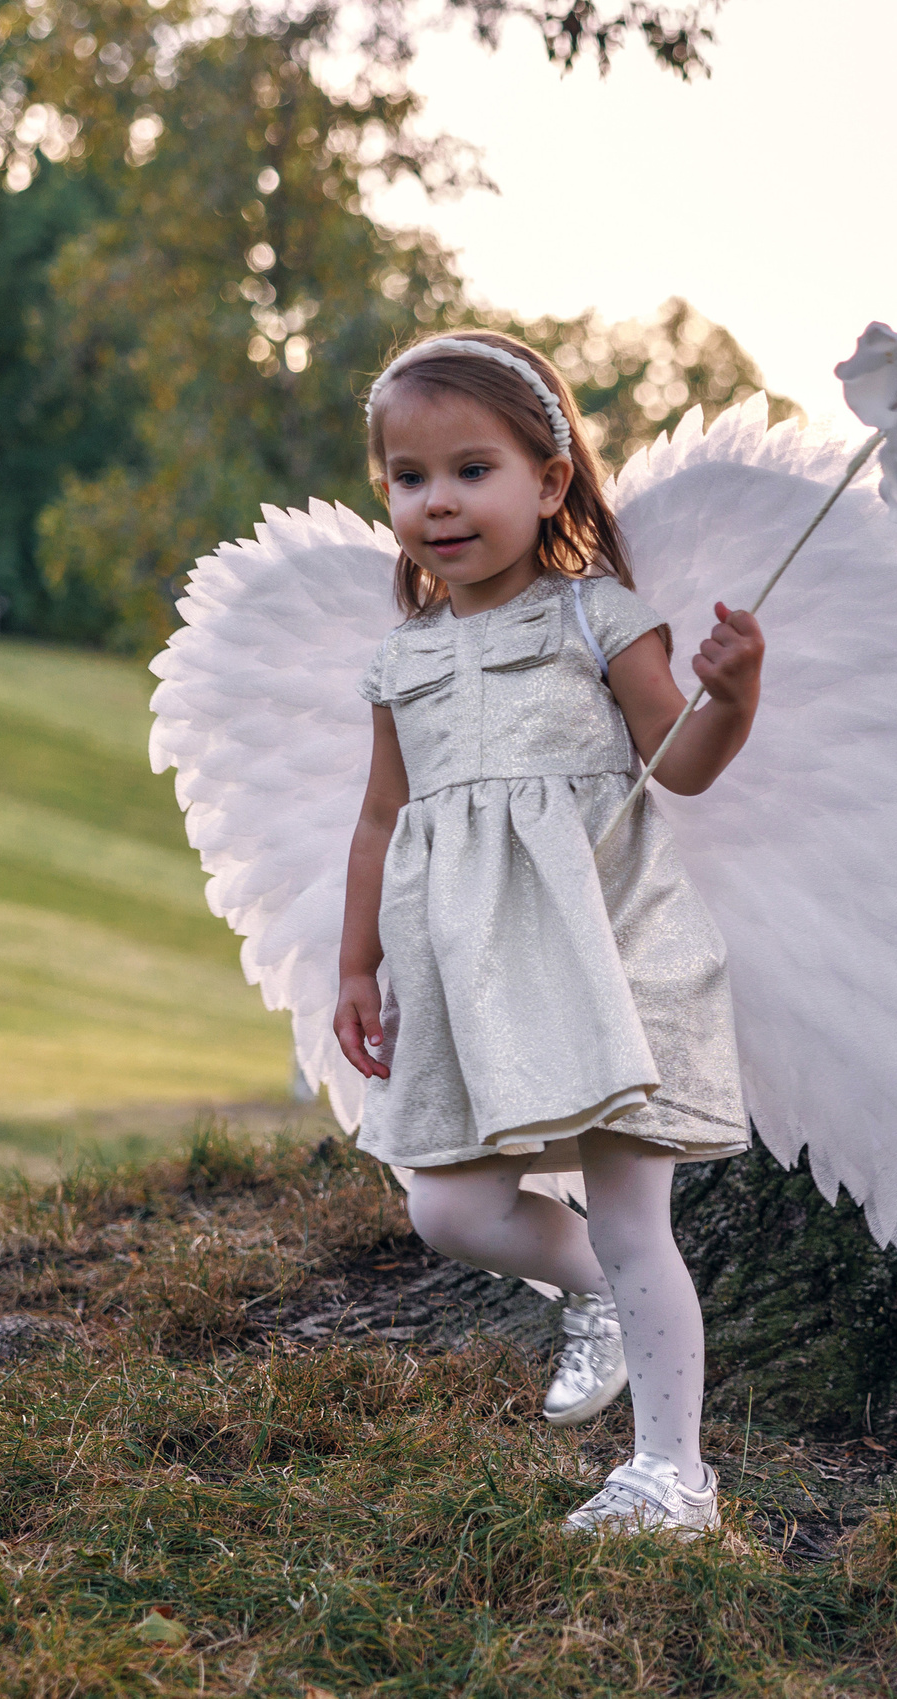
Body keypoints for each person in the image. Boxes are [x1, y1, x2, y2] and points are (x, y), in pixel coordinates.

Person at [330, 329, 759, 1538]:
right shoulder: (399, 659)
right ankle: (597, 1299)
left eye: (473, 470)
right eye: (410, 480)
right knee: (448, 1209)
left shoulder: (595, 620)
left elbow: (682, 765)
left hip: (613, 955)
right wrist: (354, 963)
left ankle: (671, 1475)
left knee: (636, 1223)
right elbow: (379, 818)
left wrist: (733, 696)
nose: (439, 503)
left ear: (550, 481)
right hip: (467, 974)